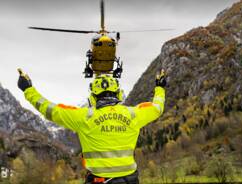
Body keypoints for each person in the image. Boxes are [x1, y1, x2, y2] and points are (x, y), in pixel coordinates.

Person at [17, 69, 166, 184]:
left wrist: (28, 90)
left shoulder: (84, 116)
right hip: (130, 180)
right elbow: (157, 107)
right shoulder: (134, 114)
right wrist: (160, 87)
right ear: (118, 94)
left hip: (99, 180)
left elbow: (50, 110)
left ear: (93, 97)